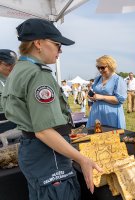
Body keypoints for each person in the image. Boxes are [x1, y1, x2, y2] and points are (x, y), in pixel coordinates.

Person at [1, 18, 102, 199]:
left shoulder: (19, 70)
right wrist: (82, 159)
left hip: (35, 152)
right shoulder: (38, 75)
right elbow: (44, 131)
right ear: (38, 43)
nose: (60, 50)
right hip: (48, 154)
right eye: (57, 44)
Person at [86, 55, 127, 129]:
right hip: (96, 113)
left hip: (111, 115)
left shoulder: (118, 80)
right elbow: (95, 93)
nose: (100, 70)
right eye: (98, 67)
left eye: (102, 67)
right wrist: (93, 97)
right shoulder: (98, 79)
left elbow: (120, 99)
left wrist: (101, 97)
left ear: (111, 66)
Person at [0, 49, 17, 133]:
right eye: (8, 64)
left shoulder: (13, 79)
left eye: (14, 64)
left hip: (14, 125)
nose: (12, 67)